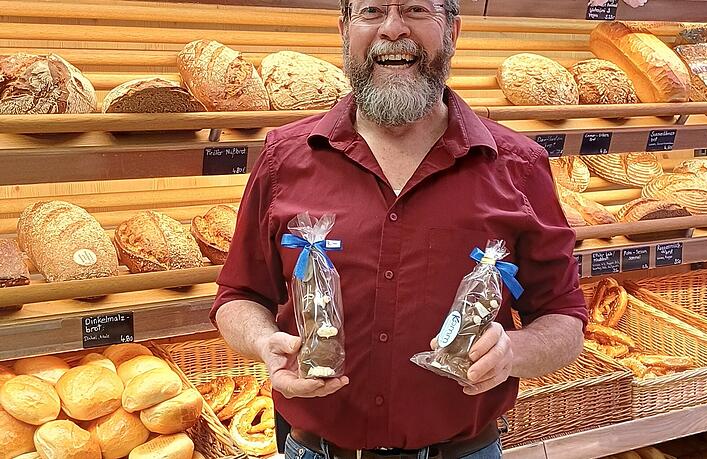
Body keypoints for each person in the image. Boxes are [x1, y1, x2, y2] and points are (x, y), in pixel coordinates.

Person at [210, 0, 587, 457]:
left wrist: (514, 352)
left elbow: (565, 320)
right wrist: (263, 341)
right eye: (371, 10)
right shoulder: (283, 158)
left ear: (453, 29)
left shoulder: (518, 166)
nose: (392, 29)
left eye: (415, 8)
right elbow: (238, 297)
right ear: (344, 29)